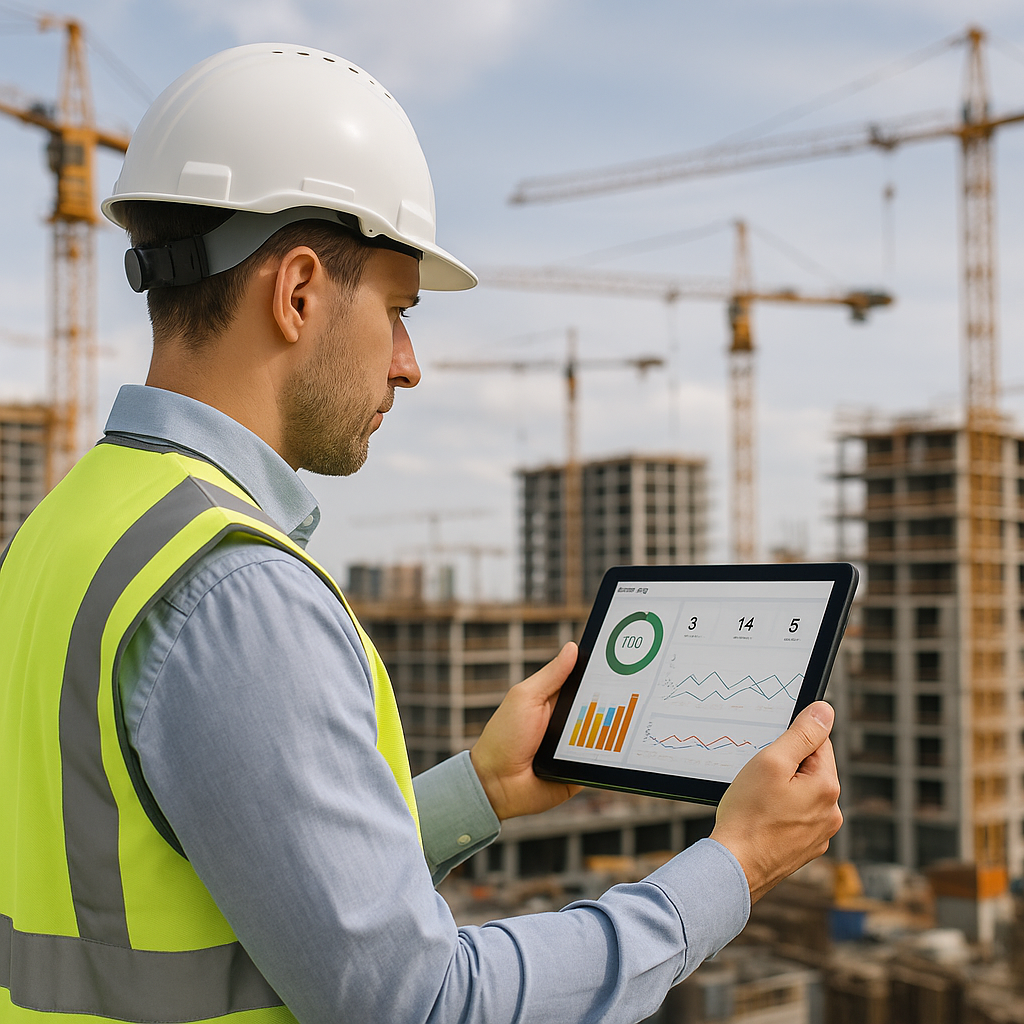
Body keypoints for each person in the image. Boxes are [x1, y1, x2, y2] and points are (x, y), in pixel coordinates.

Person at [0, 43, 842, 1024]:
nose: (409, 363)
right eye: (398, 310)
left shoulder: (69, 528)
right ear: (299, 291)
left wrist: (477, 790)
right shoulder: (234, 592)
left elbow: (226, 869)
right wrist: (731, 868)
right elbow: (424, 1003)